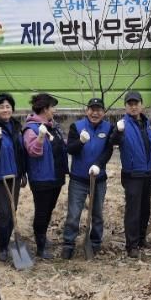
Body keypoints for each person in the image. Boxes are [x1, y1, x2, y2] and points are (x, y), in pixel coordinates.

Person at [61, 98, 114, 259]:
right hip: (78, 178)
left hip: (99, 179)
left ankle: (95, 242)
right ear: (87, 111)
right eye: (92, 109)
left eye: (99, 110)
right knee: (73, 214)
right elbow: (70, 149)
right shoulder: (76, 127)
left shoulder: (108, 128)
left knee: (97, 213)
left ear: (103, 112)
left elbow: (108, 150)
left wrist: (98, 164)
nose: (95, 113)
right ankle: (68, 244)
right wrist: (81, 142)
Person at [110, 91, 151, 258]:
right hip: (132, 174)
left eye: (136, 103)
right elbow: (113, 141)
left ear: (141, 105)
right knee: (133, 210)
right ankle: (132, 245)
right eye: (130, 104)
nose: (133, 106)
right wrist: (118, 132)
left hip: (148, 173)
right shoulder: (122, 125)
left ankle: (142, 238)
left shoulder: (147, 123)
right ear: (125, 106)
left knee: (145, 208)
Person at [0, 93, 27, 262]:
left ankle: (7, 242)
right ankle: (2, 246)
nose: (5, 110)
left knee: (12, 211)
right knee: (4, 211)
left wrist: (23, 173)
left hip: (15, 175)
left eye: (8, 106)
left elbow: (20, 152)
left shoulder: (16, 127)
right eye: (1, 107)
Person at [23, 93, 68, 259]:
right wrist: (41, 137)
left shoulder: (53, 126)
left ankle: (43, 237)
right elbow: (33, 151)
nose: (54, 111)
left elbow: (63, 145)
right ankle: (40, 247)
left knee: (49, 209)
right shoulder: (31, 129)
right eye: (52, 107)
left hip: (56, 176)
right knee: (42, 212)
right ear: (44, 109)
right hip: (41, 178)